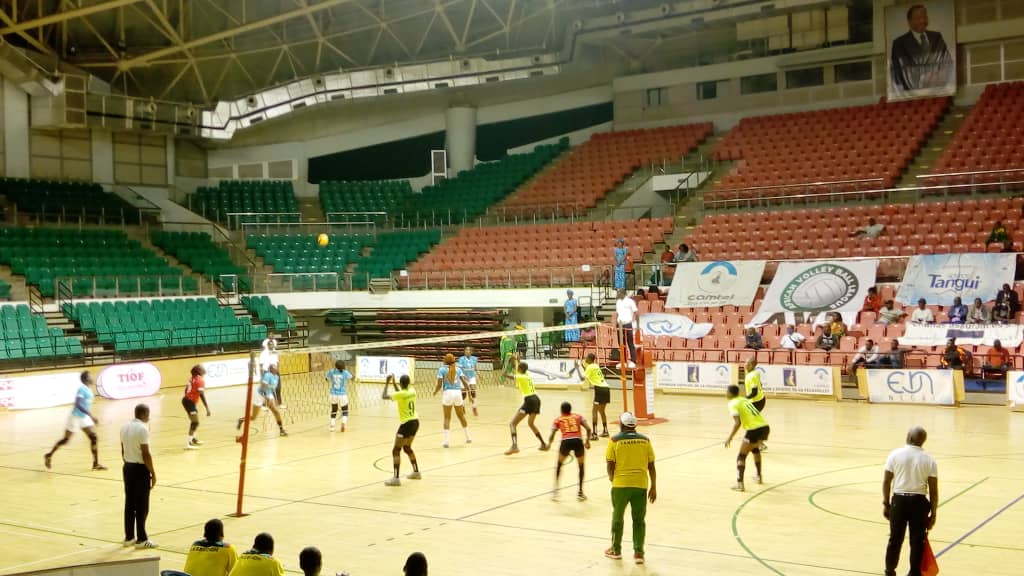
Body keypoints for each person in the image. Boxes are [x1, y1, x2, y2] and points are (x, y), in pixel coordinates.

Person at [882, 426, 938, 576]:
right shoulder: (929, 459)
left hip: (899, 501)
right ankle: (914, 573)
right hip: (919, 503)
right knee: (917, 541)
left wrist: (886, 503)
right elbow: (933, 490)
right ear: (922, 441)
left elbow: (887, 481)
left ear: (909, 437)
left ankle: (889, 571)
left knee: (895, 539)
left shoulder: (895, 454)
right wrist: (933, 514)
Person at [604, 412, 656, 565]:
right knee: (639, 520)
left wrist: (612, 478)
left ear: (621, 424)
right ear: (635, 425)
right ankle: (639, 553)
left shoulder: (614, 440)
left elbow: (610, 463)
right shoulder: (645, 441)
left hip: (620, 485)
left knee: (617, 518)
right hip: (641, 485)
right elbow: (651, 465)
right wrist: (653, 486)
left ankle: (616, 550)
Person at [44, 370, 106, 471]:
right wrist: (91, 415)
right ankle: (49, 455)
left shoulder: (88, 390)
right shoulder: (82, 389)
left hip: (84, 417)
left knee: (93, 437)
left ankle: (96, 464)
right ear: (86, 379)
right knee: (66, 440)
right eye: (90, 376)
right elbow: (78, 404)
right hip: (75, 417)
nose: (92, 378)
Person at [890, 4, 954, 94]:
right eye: (918, 18)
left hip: (938, 89)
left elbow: (948, 63)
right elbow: (898, 72)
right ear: (909, 22)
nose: (923, 21)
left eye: (925, 17)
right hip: (914, 93)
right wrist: (924, 78)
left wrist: (939, 76)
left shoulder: (937, 37)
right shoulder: (899, 43)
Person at [121, 403, 156, 549]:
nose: (149, 417)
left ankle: (129, 537)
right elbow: (145, 453)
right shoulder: (142, 429)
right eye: (148, 414)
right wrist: (153, 473)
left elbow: (122, 450)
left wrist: (128, 463)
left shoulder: (124, 427)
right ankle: (141, 539)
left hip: (127, 467)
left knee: (129, 504)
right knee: (142, 505)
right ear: (144, 414)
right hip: (140, 469)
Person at [724, 385, 770, 492]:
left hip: (754, 429)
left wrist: (729, 438)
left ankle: (740, 483)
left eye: (726, 391)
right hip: (764, 427)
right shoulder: (744, 399)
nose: (725, 393)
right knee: (755, 449)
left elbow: (737, 423)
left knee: (741, 455)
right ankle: (758, 476)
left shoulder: (732, 403)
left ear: (731, 393)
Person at [547, 401, 592, 501]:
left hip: (565, 442)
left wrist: (549, 444)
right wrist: (587, 442)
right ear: (570, 409)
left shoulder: (558, 419)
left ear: (561, 410)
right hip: (578, 441)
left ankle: (555, 492)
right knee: (581, 466)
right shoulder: (578, 417)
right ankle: (580, 492)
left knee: (559, 465)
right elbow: (588, 429)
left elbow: (553, 432)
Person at [384, 375, 421, 486]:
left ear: (401, 383)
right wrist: (395, 383)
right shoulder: (412, 391)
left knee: (396, 451)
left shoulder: (400, 394)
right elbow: (400, 394)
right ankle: (416, 472)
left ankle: (396, 479)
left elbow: (384, 396)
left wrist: (387, 383)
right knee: (407, 447)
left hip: (406, 424)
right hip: (415, 422)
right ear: (408, 383)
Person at [505, 361, 549, 455]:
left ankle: (514, 446)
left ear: (520, 369)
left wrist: (508, 363)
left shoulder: (520, 376)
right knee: (531, 423)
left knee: (512, 424)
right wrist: (515, 361)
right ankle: (543, 444)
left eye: (517, 368)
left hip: (529, 400)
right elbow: (519, 367)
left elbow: (505, 375)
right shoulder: (527, 375)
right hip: (536, 399)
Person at [237, 364, 288, 437]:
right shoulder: (267, 375)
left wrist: (274, 399)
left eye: (277, 367)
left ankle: (281, 430)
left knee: (276, 411)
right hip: (260, 395)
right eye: (275, 368)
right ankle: (241, 420)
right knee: (253, 417)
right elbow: (263, 387)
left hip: (269, 394)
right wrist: (266, 398)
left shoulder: (276, 377)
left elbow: (272, 389)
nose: (277, 369)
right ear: (271, 369)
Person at [433, 353, 471, 448]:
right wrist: (469, 395)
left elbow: (439, 384)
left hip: (448, 394)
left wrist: (435, 392)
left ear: (445, 360)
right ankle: (468, 437)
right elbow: (465, 383)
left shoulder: (441, 369)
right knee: (461, 416)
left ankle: (446, 442)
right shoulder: (458, 369)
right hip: (458, 393)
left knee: (447, 418)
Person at [580, 352, 610, 439]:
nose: (585, 359)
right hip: (606, 388)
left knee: (594, 411)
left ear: (589, 359)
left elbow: (582, 378)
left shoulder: (590, 367)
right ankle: (605, 431)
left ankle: (594, 434)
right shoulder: (595, 366)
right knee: (602, 411)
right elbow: (588, 371)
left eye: (586, 358)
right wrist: (582, 366)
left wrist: (578, 368)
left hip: (599, 389)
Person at [183, 365, 211, 450]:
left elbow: (186, 389)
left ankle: (193, 439)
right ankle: (188, 443)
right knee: (195, 422)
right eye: (201, 368)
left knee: (194, 421)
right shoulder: (200, 380)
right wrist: (207, 408)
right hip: (189, 402)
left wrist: (189, 397)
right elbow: (202, 395)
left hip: (187, 401)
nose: (203, 369)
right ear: (198, 371)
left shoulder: (192, 378)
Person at [325, 360, 353, 432]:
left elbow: (326, 379)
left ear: (336, 366)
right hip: (342, 395)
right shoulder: (345, 373)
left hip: (333, 394)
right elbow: (352, 377)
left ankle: (332, 427)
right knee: (345, 410)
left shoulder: (331, 371)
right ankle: (343, 423)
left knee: (334, 410)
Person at [614, 289, 638, 368]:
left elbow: (636, 313)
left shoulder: (630, 301)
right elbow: (617, 314)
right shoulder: (618, 302)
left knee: (630, 343)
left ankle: (633, 361)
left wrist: (637, 325)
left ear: (623, 293)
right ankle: (623, 361)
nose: (617, 294)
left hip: (627, 324)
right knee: (621, 344)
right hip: (619, 325)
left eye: (618, 292)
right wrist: (615, 325)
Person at [457, 346, 481, 416]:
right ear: (464, 351)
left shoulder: (474, 358)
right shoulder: (461, 359)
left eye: (469, 350)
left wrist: (479, 373)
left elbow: (475, 368)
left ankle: (474, 407)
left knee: (473, 390)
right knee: (464, 393)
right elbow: (459, 369)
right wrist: (463, 377)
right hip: (463, 378)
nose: (467, 351)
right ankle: (462, 406)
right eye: (466, 350)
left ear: (471, 352)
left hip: (471, 377)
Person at [259, 338, 283, 408]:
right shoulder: (263, 353)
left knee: (278, 388)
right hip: (267, 372)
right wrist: (262, 375)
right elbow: (261, 365)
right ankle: (264, 405)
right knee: (267, 389)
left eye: (272, 344)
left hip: (275, 372)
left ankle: (279, 403)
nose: (272, 345)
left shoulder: (275, 352)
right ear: (267, 345)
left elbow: (277, 362)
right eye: (270, 344)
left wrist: (278, 370)